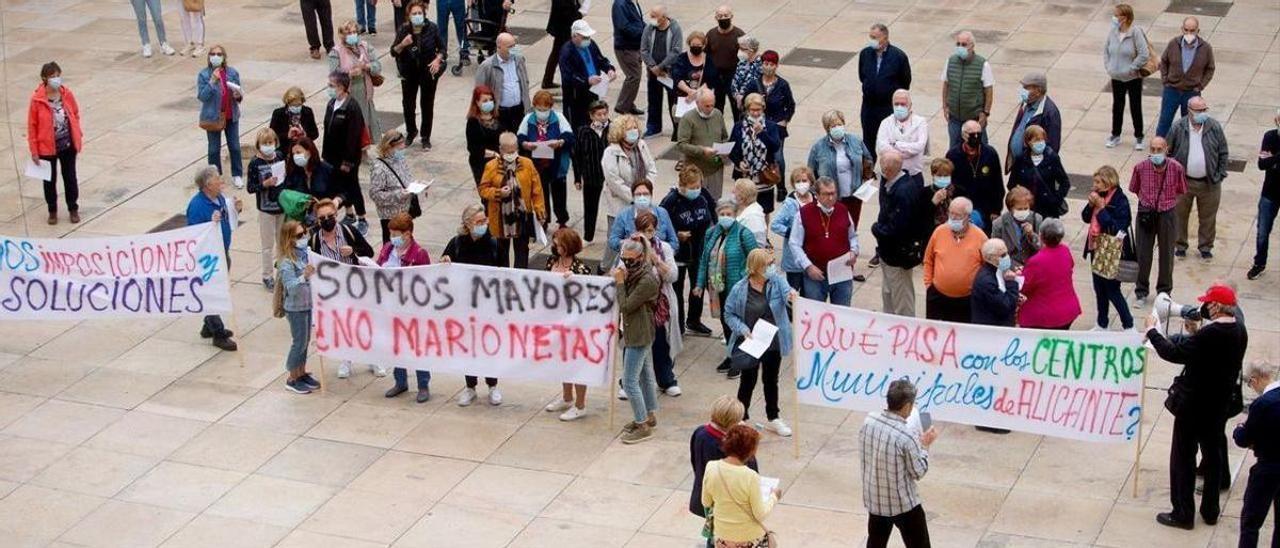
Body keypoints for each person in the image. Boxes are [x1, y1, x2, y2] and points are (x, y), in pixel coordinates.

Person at [1147, 283, 1247, 530]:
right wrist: (1195, 334)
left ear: (1215, 306)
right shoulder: (1239, 331)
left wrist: (1153, 332)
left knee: (1183, 458)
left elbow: (1174, 353)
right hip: (1219, 405)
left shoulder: (1209, 335)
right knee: (1213, 457)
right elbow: (1209, 355)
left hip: (1193, 406)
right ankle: (1210, 510)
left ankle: (1182, 512)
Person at [724, 248, 794, 437]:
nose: (772, 267)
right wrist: (742, 329)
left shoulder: (776, 281)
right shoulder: (740, 289)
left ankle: (773, 416)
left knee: (771, 380)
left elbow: (789, 293)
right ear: (756, 268)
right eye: (768, 264)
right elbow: (729, 313)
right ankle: (741, 416)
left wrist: (792, 297)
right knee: (748, 380)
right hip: (753, 341)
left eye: (772, 263)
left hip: (773, 341)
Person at [860, 379, 937, 548]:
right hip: (903, 504)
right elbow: (918, 471)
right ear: (907, 406)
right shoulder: (906, 436)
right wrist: (924, 446)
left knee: (875, 542)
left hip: (875, 498)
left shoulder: (869, 421)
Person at [440, 205, 504, 403]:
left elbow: (505, 274)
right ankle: (470, 386)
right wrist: (445, 261)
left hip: (488, 306)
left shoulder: (494, 243)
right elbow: (443, 266)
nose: (483, 225)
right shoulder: (457, 243)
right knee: (468, 346)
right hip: (464, 306)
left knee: (488, 346)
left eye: (484, 221)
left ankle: (492, 385)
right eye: (478, 222)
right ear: (467, 224)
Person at [308, 198, 376, 377]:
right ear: (317, 220)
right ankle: (347, 360)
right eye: (322, 218)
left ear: (336, 215)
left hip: (356, 287)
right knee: (344, 326)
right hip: (334, 293)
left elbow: (369, 252)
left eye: (330, 216)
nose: (327, 220)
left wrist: (353, 252)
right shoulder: (315, 240)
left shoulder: (349, 231)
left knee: (364, 323)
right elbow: (310, 264)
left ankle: (373, 359)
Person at [373, 213, 433, 402]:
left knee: (417, 346)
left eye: (396, 234)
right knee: (396, 344)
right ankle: (400, 381)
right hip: (391, 306)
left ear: (407, 234)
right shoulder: (388, 249)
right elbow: (378, 266)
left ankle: (423, 384)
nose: (393, 238)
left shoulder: (419, 253)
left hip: (412, 308)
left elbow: (426, 280)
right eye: (391, 234)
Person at [698, 197, 759, 375]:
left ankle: (739, 359)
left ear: (735, 214)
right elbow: (704, 259)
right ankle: (732, 354)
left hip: (737, 287)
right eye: (722, 214)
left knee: (737, 323)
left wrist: (747, 279)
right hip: (717, 286)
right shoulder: (712, 233)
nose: (725, 217)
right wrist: (699, 284)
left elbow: (754, 258)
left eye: (728, 214)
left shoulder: (743, 233)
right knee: (726, 322)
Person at [543, 228, 596, 420]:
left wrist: (574, 281)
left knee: (577, 363)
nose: (556, 246)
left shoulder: (580, 269)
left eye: (559, 243)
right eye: (555, 242)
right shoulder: (551, 262)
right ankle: (566, 397)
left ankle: (580, 404)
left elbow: (588, 294)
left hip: (576, 324)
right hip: (556, 321)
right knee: (562, 361)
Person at [1168, 96, 1229, 260]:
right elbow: (1168, 151)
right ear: (1189, 111)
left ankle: (1205, 247)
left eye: (1204, 110)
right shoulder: (1178, 127)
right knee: (1179, 215)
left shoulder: (1214, 127)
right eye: (1199, 110)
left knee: (1208, 217)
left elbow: (1223, 152)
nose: (1202, 113)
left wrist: (1220, 174)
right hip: (1183, 181)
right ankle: (1180, 245)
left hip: (1209, 182)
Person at [186, 167, 240, 352]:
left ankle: (208, 325)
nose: (221, 181)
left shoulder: (219, 199)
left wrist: (235, 210)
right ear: (208, 185)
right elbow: (194, 235)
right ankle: (218, 332)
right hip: (208, 258)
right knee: (211, 292)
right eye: (218, 179)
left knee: (218, 288)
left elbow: (227, 219)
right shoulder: (197, 207)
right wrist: (211, 223)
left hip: (222, 251)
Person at [1129, 137, 1187, 307]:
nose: (1156, 153)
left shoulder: (1176, 168)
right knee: (1143, 254)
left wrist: (1166, 202)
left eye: (1159, 149)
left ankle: (1164, 292)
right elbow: (1134, 188)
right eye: (1153, 149)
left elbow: (1181, 189)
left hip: (1167, 214)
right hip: (1146, 214)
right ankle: (1141, 291)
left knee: (1167, 254)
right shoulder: (1140, 168)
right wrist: (1148, 203)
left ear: (1166, 149)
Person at [663, 165, 719, 337]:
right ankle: (677, 325)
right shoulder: (672, 200)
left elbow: (714, 214)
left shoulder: (704, 195)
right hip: (678, 253)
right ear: (682, 185)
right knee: (677, 291)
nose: (696, 190)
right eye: (692, 187)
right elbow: (660, 222)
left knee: (698, 286)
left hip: (699, 251)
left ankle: (694, 320)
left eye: (698, 186)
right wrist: (676, 234)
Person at [703, 424, 780, 548]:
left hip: (722, 534)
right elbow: (760, 514)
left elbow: (706, 502)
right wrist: (774, 497)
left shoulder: (711, 467)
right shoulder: (750, 476)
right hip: (748, 536)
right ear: (750, 451)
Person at [633, 210, 684, 397]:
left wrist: (656, 259)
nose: (647, 234)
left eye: (650, 230)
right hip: (637, 304)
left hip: (658, 303)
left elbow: (672, 276)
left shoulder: (664, 248)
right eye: (643, 230)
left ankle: (666, 378)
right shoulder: (629, 247)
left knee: (661, 342)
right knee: (635, 343)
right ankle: (630, 380)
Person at [615, 236, 661, 443]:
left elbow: (626, 305)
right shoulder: (636, 273)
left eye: (631, 260)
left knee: (630, 381)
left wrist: (619, 284)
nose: (627, 263)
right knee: (645, 375)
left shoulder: (646, 280)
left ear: (641, 257)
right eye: (624, 259)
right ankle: (649, 415)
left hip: (639, 332)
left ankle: (642, 423)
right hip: (638, 330)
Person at [872, 150, 928, 317]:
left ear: (888, 170)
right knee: (889, 293)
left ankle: (905, 332)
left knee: (902, 300)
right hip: (888, 254)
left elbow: (898, 228)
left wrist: (876, 229)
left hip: (898, 256)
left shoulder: (904, 191)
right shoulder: (892, 183)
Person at [788, 176, 861, 305]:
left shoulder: (843, 210)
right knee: (815, 315)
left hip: (841, 274)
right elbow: (794, 244)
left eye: (833, 193)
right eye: (826, 194)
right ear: (817, 195)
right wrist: (808, 266)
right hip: (815, 275)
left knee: (842, 314)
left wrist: (854, 252)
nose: (831, 198)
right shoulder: (804, 213)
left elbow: (853, 236)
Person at [479, 132, 545, 268]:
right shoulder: (491, 166)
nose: (511, 154)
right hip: (500, 218)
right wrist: (498, 193)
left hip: (521, 216)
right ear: (501, 150)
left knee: (522, 251)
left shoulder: (527, 164)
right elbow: (483, 189)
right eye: (508, 151)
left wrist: (540, 210)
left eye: (514, 150)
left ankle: (520, 277)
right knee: (501, 252)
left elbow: (537, 190)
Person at [28, 62, 82, 226]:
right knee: (49, 181)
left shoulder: (67, 94)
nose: (56, 79)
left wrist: (77, 134)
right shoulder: (37, 100)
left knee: (70, 178)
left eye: (57, 75)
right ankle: (52, 211)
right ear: (44, 78)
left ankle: (73, 208)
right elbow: (32, 126)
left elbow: (75, 113)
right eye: (52, 77)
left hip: (67, 144)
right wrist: (34, 151)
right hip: (47, 148)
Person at [1081, 165, 1134, 331]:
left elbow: (1117, 227)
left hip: (1112, 250)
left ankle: (1128, 324)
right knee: (1099, 289)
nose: (1095, 185)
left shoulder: (1120, 200)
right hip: (1095, 248)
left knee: (1112, 289)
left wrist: (1102, 209)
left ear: (1109, 182)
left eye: (1098, 181)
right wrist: (1091, 206)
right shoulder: (1097, 196)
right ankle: (1102, 323)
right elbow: (1085, 217)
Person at [689, 396, 758, 522]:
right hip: (724, 505)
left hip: (704, 494)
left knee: (713, 533)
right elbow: (750, 470)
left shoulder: (700, 433)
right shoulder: (728, 447)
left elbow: (694, 460)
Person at [602, 116, 660, 267]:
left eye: (635, 127)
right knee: (615, 239)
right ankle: (607, 268)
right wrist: (634, 196)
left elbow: (651, 169)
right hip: (619, 203)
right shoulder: (611, 152)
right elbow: (613, 180)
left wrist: (645, 190)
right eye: (629, 128)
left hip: (642, 200)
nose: (633, 131)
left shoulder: (641, 145)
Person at [1234, 360, 1280, 547]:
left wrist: (1239, 429)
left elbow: (1244, 439)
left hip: (1268, 467)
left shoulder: (1262, 404)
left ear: (1255, 379)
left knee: (1251, 521)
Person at [806, 109, 874, 229]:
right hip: (830, 197)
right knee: (833, 229)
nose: (837, 127)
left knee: (851, 228)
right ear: (827, 128)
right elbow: (810, 173)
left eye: (840, 124)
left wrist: (865, 179)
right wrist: (816, 194)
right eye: (833, 126)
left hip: (854, 195)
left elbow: (867, 159)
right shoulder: (818, 147)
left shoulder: (855, 140)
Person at [923, 197, 987, 322]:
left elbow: (987, 267)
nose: (952, 218)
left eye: (957, 215)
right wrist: (928, 283)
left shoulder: (980, 237)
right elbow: (928, 259)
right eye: (950, 213)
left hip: (966, 300)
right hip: (937, 297)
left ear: (968, 217)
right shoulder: (939, 232)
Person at [390, 0, 444, 150]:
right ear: (409, 16)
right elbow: (393, 52)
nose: (418, 16)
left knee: (427, 104)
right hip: (408, 71)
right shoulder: (404, 30)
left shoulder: (432, 28)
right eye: (414, 13)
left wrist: (437, 60)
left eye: (420, 13)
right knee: (408, 104)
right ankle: (411, 131)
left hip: (427, 72)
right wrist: (403, 44)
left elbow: (442, 49)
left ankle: (425, 136)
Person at [517, 90, 575, 228]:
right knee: (540, 194)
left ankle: (562, 220)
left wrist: (560, 142)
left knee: (559, 194)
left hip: (556, 163)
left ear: (551, 107)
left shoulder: (559, 118)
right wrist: (525, 144)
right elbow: (520, 137)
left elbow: (570, 137)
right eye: (539, 109)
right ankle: (543, 220)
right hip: (537, 164)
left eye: (545, 109)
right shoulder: (528, 119)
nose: (542, 112)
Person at [321, 71, 370, 234]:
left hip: (347, 158)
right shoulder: (331, 104)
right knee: (338, 185)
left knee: (352, 186)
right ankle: (349, 214)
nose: (329, 88)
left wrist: (348, 161)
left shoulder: (352, 107)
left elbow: (353, 136)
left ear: (341, 87)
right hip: (331, 156)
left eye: (331, 86)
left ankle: (362, 217)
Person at [276, 220, 320, 395]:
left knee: (305, 341)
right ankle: (292, 377)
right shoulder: (287, 262)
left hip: (306, 304)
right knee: (299, 342)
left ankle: (301, 373)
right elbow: (291, 287)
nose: (304, 238)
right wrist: (304, 276)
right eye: (299, 236)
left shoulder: (303, 255)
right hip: (295, 308)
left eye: (304, 233)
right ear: (290, 239)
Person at [1156, 16, 1215, 138]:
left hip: (1191, 92)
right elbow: (1164, 61)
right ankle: (1159, 148)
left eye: (1192, 30)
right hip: (1172, 89)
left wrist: (1200, 86)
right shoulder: (1173, 43)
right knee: (1165, 121)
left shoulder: (1205, 48)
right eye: (1186, 30)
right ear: (1182, 29)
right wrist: (1165, 80)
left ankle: (1186, 149)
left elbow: (1210, 68)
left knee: (1190, 123)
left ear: (1198, 31)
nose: (1189, 33)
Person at [860, 23, 912, 159]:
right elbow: (862, 76)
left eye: (875, 37)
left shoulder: (898, 57)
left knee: (890, 142)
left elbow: (905, 82)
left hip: (888, 107)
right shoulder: (865, 54)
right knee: (868, 142)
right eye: (870, 36)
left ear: (885, 38)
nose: (872, 40)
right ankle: (868, 172)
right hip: (869, 107)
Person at [1018, 219, 1081, 330]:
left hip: (1045, 315)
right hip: (1068, 310)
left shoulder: (1036, 261)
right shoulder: (1065, 250)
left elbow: (1024, 287)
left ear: (1041, 236)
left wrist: (1019, 275)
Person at [742, 51, 796, 177]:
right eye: (766, 63)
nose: (768, 67)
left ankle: (780, 184)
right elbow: (744, 104)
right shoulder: (754, 84)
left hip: (776, 125)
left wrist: (785, 120)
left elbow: (790, 105)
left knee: (778, 157)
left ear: (776, 66)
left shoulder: (782, 85)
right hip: (756, 124)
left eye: (772, 64)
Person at [1104, 4, 1150, 150]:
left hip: (1132, 78)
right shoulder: (1113, 32)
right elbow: (1106, 50)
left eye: (1117, 15)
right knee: (1117, 106)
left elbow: (1144, 54)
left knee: (1135, 106)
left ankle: (1139, 136)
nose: (1115, 18)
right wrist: (1108, 66)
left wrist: (1132, 68)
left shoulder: (1135, 32)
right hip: (1116, 76)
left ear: (1125, 18)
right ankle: (1115, 134)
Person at [196, 45, 244, 188]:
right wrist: (212, 81)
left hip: (230, 115)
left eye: (219, 54)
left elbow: (239, 95)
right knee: (214, 149)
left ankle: (237, 174)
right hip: (213, 117)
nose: (216, 56)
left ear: (224, 57)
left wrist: (237, 95)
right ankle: (215, 177)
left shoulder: (232, 73)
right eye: (213, 54)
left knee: (234, 146)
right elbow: (202, 96)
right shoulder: (204, 75)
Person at [330, 20, 384, 142]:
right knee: (349, 124)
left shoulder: (364, 46)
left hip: (364, 91)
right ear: (342, 35)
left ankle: (363, 151)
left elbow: (377, 66)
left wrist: (366, 66)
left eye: (354, 32)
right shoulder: (336, 51)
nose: (352, 35)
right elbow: (333, 75)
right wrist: (350, 74)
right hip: (347, 93)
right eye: (349, 32)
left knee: (364, 121)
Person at [729, 94, 782, 215]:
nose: (756, 113)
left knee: (764, 211)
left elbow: (775, 147)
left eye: (758, 110)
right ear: (747, 110)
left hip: (764, 176)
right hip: (744, 175)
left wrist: (762, 134)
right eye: (752, 110)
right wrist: (739, 162)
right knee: (742, 209)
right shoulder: (739, 126)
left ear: (763, 109)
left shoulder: (770, 126)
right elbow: (731, 149)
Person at [247, 128, 286, 289]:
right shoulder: (255, 164)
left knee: (282, 244)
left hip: (281, 207)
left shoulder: (280, 157)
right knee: (267, 246)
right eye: (265, 143)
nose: (268, 146)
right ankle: (267, 275)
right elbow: (250, 187)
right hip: (266, 209)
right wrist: (264, 184)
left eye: (270, 142)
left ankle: (283, 273)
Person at [946, 119, 1004, 227]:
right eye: (972, 134)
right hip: (962, 206)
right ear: (963, 135)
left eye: (979, 133)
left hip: (985, 208)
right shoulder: (953, 155)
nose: (976, 137)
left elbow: (998, 184)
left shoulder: (990, 153)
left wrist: (996, 210)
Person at [941, 30, 994, 148]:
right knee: (955, 150)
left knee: (979, 148)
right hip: (954, 117)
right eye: (958, 44)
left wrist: (985, 113)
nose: (960, 47)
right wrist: (945, 106)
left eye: (964, 45)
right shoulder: (950, 61)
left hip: (974, 118)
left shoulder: (982, 64)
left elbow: (988, 91)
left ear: (972, 46)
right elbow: (946, 85)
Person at [559, 20, 616, 128]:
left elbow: (600, 59)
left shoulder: (591, 45)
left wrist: (609, 69)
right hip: (576, 97)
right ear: (575, 36)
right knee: (577, 125)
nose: (587, 39)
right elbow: (568, 76)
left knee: (595, 121)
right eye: (584, 37)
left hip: (593, 91)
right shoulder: (566, 52)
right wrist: (587, 80)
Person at [369, 129, 423, 244]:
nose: (403, 147)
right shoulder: (379, 168)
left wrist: (416, 185)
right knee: (392, 246)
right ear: (389, 146)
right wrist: (399, 194)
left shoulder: (400, 159)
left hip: (405, 213)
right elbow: (375, 195)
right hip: (390, 216)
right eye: (400, 145)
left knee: (407, 243)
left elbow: (406, 178)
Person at [1007, 125, 1070, 219]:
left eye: (1042, 139)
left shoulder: (1052, 158)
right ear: (1028, 142)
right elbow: (1012, 184)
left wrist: (1056, 199)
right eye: (1036, 140)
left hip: (1047, 210)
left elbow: (1064, 182)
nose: (1040, 143)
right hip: (1027, 209)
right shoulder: (1021, 159)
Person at [677, 88, 730, 198]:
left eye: (712, 105)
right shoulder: (688, 119)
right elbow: (682, 145)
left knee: (715, 201)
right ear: (697, 103)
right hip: (696, 171)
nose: (710, 109)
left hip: (715, 169)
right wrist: (702, 150)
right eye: (706, 106)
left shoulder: (718, 114)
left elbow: (724, 137)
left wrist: (725, 149)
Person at [1005, 71, 1061, 174]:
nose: (1023, 91)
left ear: (1038, 90)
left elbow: (1053, 146)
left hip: (1032, 170)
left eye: (1026, 88)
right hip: (1018, 166)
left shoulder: (1050, 113)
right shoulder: (1026, 104)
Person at [474, 33, 531, 133]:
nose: (513, 49)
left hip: (519, 111)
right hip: (500, 113)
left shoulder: (519, 59)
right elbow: (479, 92)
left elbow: (525, 81)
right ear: (499, 47)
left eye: (514, 45)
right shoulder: (487, 66)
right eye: (510, 47)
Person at [640, 5, 683, 137]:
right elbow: (644, 50)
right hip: (653, 72)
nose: (651, 19)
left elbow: (676, 51)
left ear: (664, 17)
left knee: (673, 101)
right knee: (653, 100)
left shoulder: (675, 29)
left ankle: (678, 128)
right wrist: (653, 66)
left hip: (669, 72)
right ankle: (654, 127)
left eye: (655, 16)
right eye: (651, 15)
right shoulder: (649, 28)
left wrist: (661, 66)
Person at [572, 101, 611, 241]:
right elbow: (577, 155)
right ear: (591, 116)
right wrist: (577, 177)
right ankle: (588, 236)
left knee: (613, 207)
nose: (602, 117)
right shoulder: (583, 131)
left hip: (610, 176)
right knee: (590, 208)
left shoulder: (613, 129)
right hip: (591, 176)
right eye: (599, 114)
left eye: (605, 114)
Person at [772, 167, 816, 291]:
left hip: (812, 257)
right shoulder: (790, 204)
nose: (801, 184)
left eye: (804, 180)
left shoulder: (816, 200)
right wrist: (792, 232)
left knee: (810, 294)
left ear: (811, 182)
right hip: (794, 259)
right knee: (793, 294)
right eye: (798, 181)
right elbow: (775, 224)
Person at [608, 180, 679, 256]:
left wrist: (663, 252)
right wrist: (629, 243)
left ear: (651, 195)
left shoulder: (662, 213)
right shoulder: (623, 215)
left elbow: (674, 242)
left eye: (645, 194)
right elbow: (613, 241)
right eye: (638, 194)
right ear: (633, 196)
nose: (642, 197)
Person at [670, 32, 718, 140]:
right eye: (693, 45)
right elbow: (677, 77)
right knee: (682, 128)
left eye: (698, 46)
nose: (695, 47)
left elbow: (710, 80)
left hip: (700, 99)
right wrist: (689, 91)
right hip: (683, 99)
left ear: (703, 46)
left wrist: (695, 94)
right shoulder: (681, 58)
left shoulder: (708, 60)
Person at [1251, 112, 1280, 280]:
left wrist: (1274, 161)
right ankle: (1259, 263)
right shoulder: (1270, 137)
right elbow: (1263, 164)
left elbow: (1272, 164)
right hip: (1270, 193)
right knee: (1262, 231)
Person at [875, 89, 929, 176]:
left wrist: (897, 144)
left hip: (913, 174)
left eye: (903, 104)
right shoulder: (885, 122)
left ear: (910, 105)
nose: (899, 107)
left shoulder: (920, 122)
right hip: (890, 175)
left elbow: (919, 146)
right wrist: (907, 152)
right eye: (896, 104)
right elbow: (882, 147)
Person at [704, 5, 743, 117]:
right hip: (716, 76)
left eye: (726, 15)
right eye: (720, 16)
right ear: (715, 17)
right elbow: (706, 54)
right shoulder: (711, 34)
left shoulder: (739, 35)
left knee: (736, 106)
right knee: (716, 107)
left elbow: (746, 57)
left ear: (731, 16)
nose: (723, 18)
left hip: (733, 75)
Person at [971, 238, 1020, 327]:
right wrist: (1011, 284)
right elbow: (1005, 306)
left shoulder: (999, 271)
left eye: (1007, 253)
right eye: (1003, 255)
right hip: (991, 331)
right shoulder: (986, 281)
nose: (1007, 257)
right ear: (990, 258)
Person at [989, 186, 1042, 267]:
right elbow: (995, 252)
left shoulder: (1037, 219)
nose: (1023, 211)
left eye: (1026, 208)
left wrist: (1032, 235)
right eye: (1019, 209)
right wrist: (1013, 267)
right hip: (1010, 266)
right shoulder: (999, 224)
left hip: (1032, 266)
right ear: (1011, 208)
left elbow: (1042, 248)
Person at [465, 85, 504, 185]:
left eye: (490, 100)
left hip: (500, 163)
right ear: (477, 102)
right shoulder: (473, 122)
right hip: (482, 163)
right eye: (485, 101)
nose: (489, 103)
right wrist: (493, 154)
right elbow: (473, 148)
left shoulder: (498, 117)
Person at [611, 0, 646, 116]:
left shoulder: (631, 2)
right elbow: (624, 27)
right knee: (633, 76)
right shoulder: (620, 4)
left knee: (635, 76)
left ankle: (628, 103)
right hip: (626, 47)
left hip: (634, 46)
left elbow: (638, 21)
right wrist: (643, 31)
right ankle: (622, 105)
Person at [269, 87, 320, 159]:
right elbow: (272, 135)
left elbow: (315, 133)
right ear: (288, 103)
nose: (296, 107)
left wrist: (305, 135)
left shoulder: (307, 112)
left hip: (303, 149)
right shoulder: (279, 113)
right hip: (285, 150)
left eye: (299, 105)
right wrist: (287, 135)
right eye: (293, 105)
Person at [542, 0, 582, 89]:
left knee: (556, 53)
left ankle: (548, 80)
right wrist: (578, 15)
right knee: (559, 53)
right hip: (563, 26)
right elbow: (564, 9)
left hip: (565, 25)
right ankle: (548, 80)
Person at [284, 137, 336, 204]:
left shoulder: (326, 169)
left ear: (309, 152)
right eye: (293, 154)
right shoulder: (293, 172)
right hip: (300, 211)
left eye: (298, 152)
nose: (295, 156)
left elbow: (340, 191)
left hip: (322, 209)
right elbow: (285, 193)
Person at [729, 36, 761, 123]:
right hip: (739, 104)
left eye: (742, 49)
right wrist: (737, 96)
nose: (740, 51)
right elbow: (734, 82)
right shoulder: (742, 63)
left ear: (751, 50)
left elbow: (751, 83)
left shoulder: (759, 65)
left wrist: (742, 97)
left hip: (752, 105)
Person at [732, 179, 768, 248]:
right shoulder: (744, 211)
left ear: (742, 197)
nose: (732, 193)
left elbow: (756, 245)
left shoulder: (753, 217)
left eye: (734, 192)